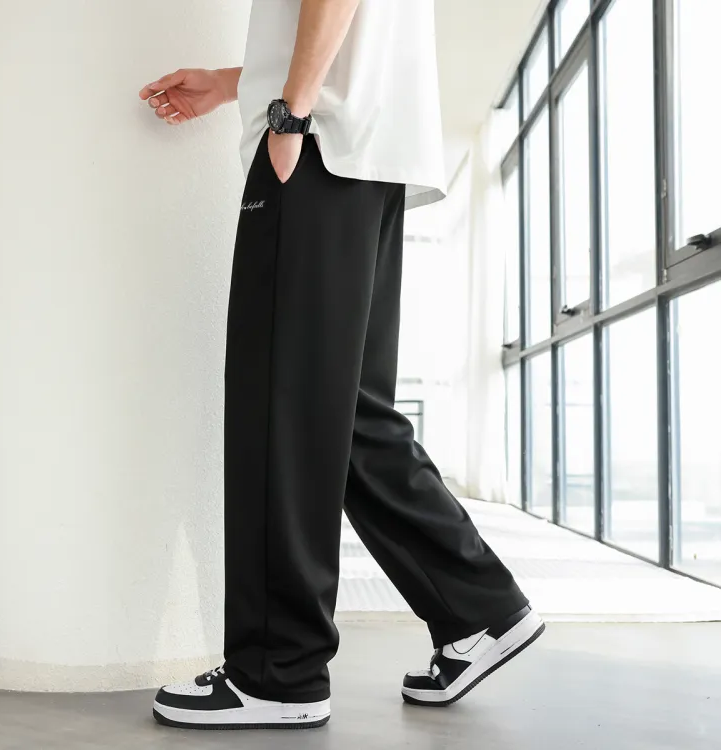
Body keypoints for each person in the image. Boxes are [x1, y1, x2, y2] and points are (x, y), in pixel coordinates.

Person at [140, 0, 542, 732]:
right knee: (344, 410)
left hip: (319, 142)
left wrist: (290, 114)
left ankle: (278, 671)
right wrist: (237, 82)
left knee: (282, 409)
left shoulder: (305, 126)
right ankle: (477, 606)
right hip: (364, 148)